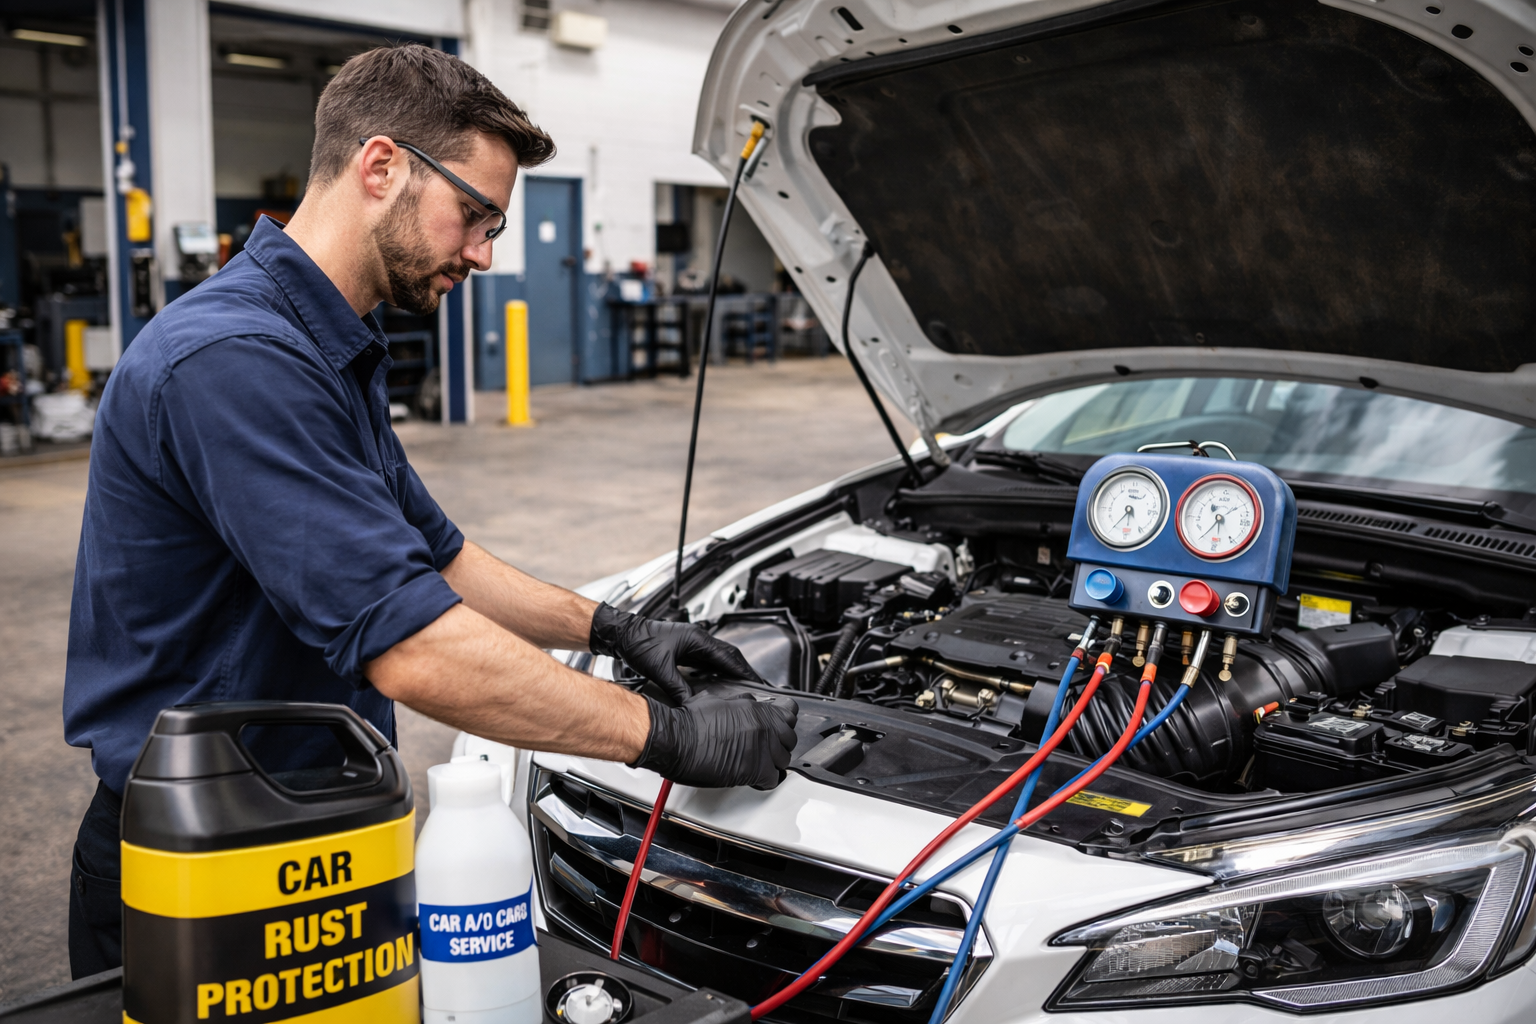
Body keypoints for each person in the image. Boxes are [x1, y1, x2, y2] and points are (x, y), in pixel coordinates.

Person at [62, 44, 797, 978]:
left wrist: (616, 628)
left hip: (305, 831)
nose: (486, 254)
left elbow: (437, 559)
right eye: (477, 215)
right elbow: (410, 646)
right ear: (381, 167)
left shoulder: (328, 340)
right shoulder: (236, 359)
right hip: (200, 867)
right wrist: (664, 735)